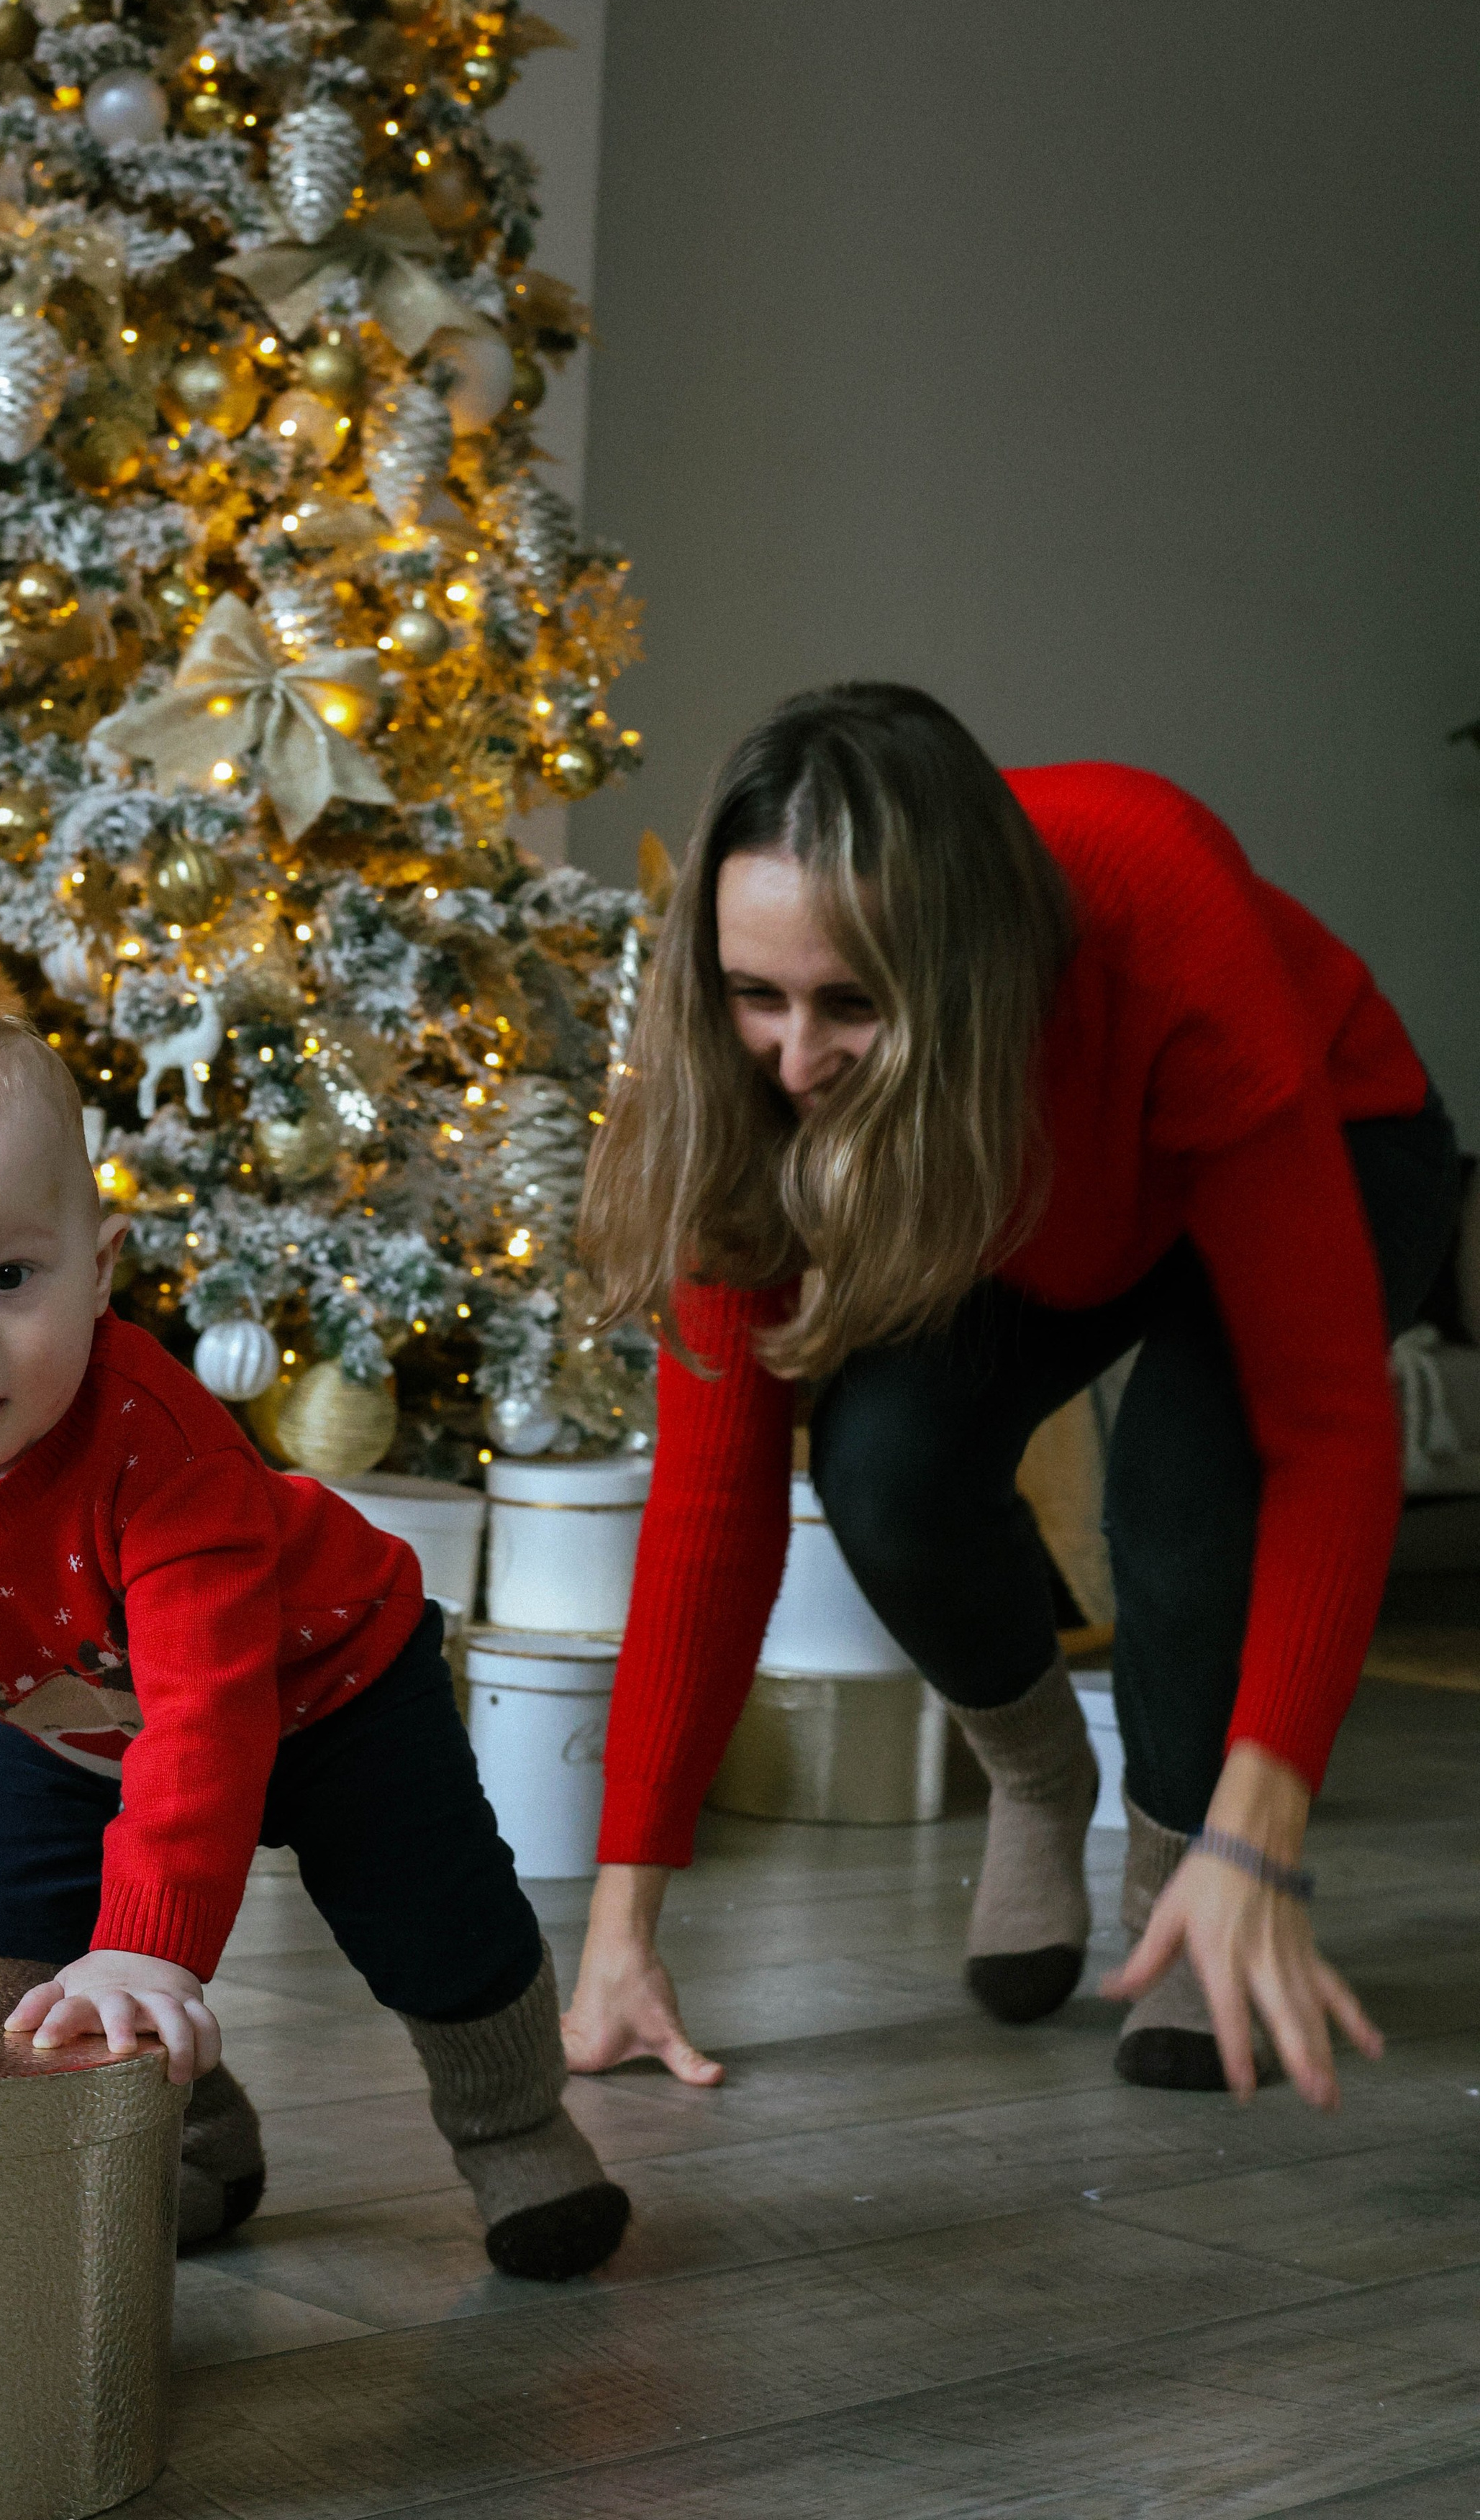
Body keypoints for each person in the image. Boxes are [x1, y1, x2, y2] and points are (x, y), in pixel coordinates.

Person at [563, 682, 1458, 2108]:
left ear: (958, 972)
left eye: (848, 1002)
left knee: (1183, 1480)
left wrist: (1255, 1827)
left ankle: (1175, 1865)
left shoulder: (1155, 909)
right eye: (755, 995)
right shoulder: (760, 1089)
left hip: (1331, 1139)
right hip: (1007, 1166)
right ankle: (1040, 1783)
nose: (792, 1061)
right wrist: (620, 1928)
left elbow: (1328, 1434)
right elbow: (712, 1505)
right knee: (881, 1465)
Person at [0, 1008, 628, 2282]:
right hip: (79, 1730)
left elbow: (210, 1717)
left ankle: (517, 2131)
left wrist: (152, 1940)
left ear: (100, 1267)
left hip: (330, 1688)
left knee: (439, 1923)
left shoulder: (162, 1453)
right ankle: (192, 2138)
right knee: (16, 1953)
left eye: (8, 1278)